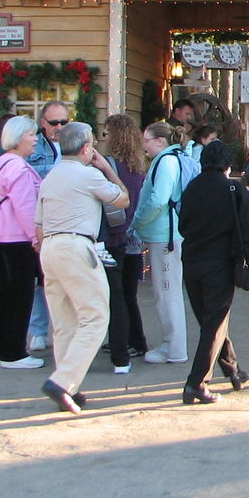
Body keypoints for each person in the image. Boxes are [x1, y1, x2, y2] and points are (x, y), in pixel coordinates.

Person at [33, 121, 128, 414]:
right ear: (86, 147)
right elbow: (123, 199)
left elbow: (38, 226)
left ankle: (69, 385)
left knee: (64, 322)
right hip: (77, 246)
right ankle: (62, 382)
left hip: (49, 247)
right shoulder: (88, 175)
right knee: (96, 317)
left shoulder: (51, 176)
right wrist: (108, 169)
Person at [178, 139, 249, 403]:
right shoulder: (232, 190)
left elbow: (182, 226)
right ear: (227, 165)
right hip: (219, 265)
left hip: (191, 263)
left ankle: (233, 370)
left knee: (210, 321)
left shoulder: (191, 189)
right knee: (214, 323)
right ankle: (196, 383)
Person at [0, 116, 44, 370]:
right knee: (20, 296)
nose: (36, 140)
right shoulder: (18, 168)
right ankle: (14, 353)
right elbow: (26, 208)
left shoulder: (2, 162)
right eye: (32, 135)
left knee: (6, 295)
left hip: (0, 237)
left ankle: (4, 347)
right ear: (19, 137)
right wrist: (36, 238)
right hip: (17, 240)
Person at [131, 120, 190, 365]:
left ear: (159, 141)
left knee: (167, 292)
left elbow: (158, 199)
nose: (143, 145)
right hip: (166, 234)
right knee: (166, 291)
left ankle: (173, 348)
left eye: (146, 140)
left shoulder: (166, 162)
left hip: (166, 236)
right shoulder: (171, 159)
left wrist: (138, 221)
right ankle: (170, 344)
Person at [102, 114, 149, 372]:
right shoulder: (138, 167)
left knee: (116, 294)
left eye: (107, 133)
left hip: (114, 234)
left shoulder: (109, 165)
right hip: (134, 236)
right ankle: (136, 339)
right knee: (129, 293)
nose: (103, 137)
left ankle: (123, 341)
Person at [24, 100, 70, 352]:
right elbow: (32, 180)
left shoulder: (73, 143)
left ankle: (67, 332)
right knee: (41, 281)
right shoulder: (33, 147)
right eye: (54, 122)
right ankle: (39, 331)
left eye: (64, 121)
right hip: (42, 222)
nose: (59, 127)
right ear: (43, 123)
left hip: (69, 222)